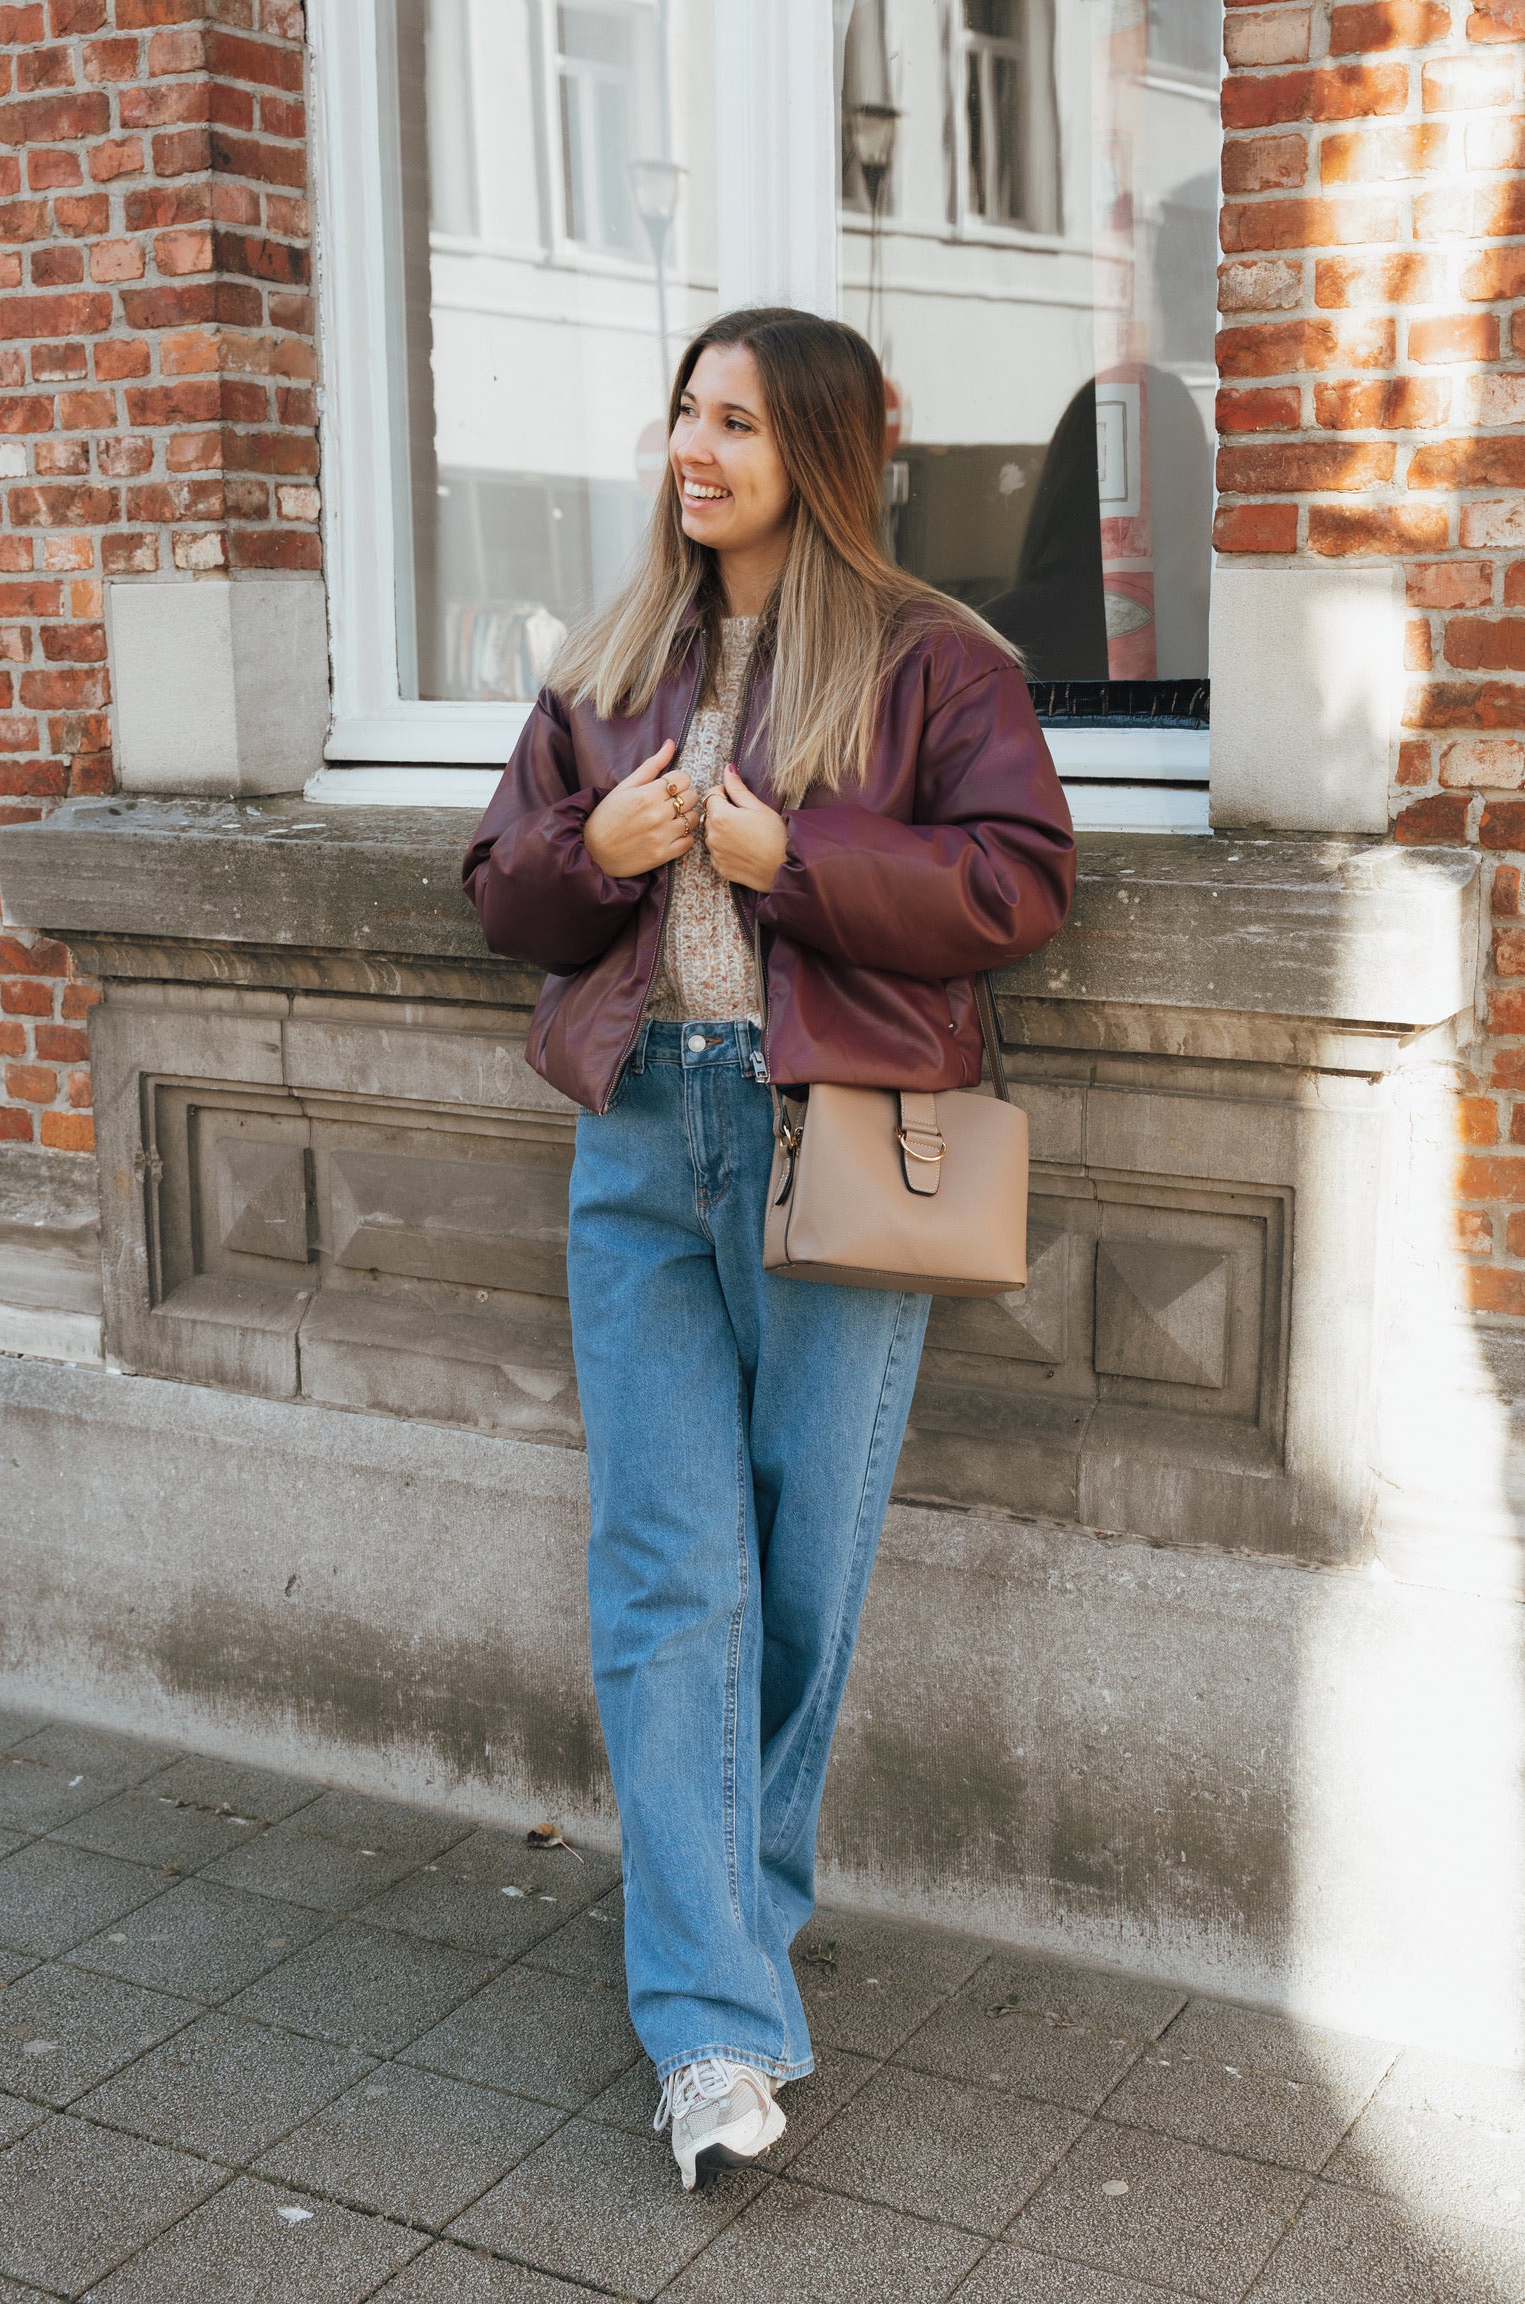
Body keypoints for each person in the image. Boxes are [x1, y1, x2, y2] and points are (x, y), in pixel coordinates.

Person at [462, 306, 1075, 2190]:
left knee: (798, 1577)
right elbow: (504, 889)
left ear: (815, 448)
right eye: (682, 411)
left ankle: (729, 1925)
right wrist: (611, 846)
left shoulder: (935, 660)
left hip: (837, 1144)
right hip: (644, 1139)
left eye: (734, 419)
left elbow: (1018, 880)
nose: (693, 447)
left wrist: (778, 861)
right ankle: (715, 2030)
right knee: (667, 1574)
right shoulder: (614, 660)